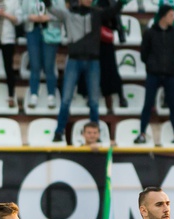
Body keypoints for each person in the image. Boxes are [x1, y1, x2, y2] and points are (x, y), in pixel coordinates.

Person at [48, 0, 120, 143]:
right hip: (74, 59)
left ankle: (95, 133)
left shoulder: (97, 13)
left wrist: (121, 3)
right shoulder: (68, 13)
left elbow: (112, 11)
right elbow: (51, 9)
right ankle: (59, 131)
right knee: (66, 99)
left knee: (93, 101)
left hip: (93, 60)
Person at [135, 5, 174, 145]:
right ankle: (142, 134)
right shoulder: (150, 33)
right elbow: (144, 54)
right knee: (148, 104)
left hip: (170, 74)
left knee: (173, 105)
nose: (173, 18)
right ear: (163, 16)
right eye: (171, 15)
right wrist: (152, 65)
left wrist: (173, 66)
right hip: (153, 74)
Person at [22, 0, 59, 109]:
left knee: (49, 66)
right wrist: (30, 17)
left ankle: (51, 95)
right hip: (33, 32)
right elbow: (21, 14)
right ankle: (34, 94)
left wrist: (49, 17)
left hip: (50, 32)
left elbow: (62, 14)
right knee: (35, 65)